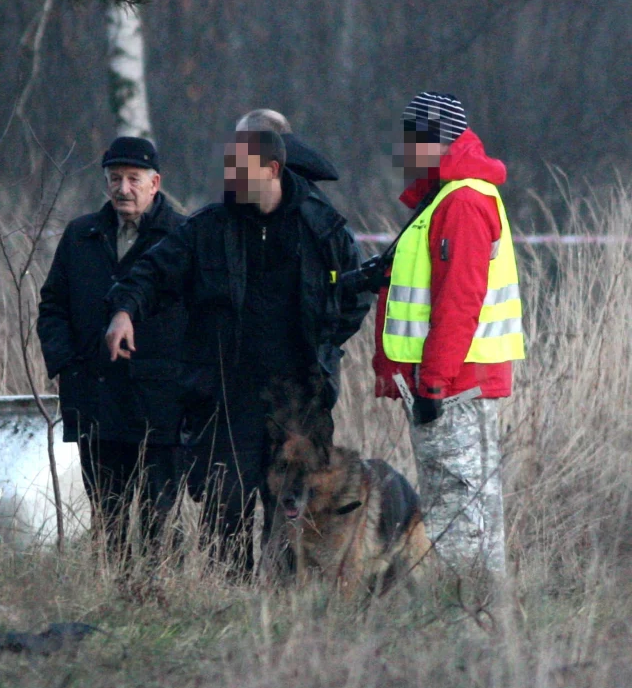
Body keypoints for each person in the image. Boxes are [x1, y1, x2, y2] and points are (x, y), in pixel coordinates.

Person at [105, 119, 370, 566]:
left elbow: (356, 292)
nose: (230, 178)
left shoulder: (322, 228)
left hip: (300, 397)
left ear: (270, 169)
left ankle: (285, 607)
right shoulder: (209, 228)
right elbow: (150, 273)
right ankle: (228, 603)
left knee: (294, 509)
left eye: (240, 169)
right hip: (225, 393)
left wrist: (325, 341)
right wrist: (124, 311)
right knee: (222, 506)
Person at [370, 91, 523, 574]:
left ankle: (466, 618)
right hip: (446, 384)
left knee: (461, 514)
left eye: (412, 139)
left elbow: (459, 302)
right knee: (458, 509)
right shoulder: (447, 196)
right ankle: (475, 623)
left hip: (455, 387)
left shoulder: (461, 201)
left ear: (437, 141)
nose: (404, 151)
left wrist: (433, 379)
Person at [37, 136, 187, 560]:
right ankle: (116, 595)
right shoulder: (81, 235)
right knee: (108, 514)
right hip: (95, 398)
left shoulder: (181, 236)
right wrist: (68, 362)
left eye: (134, 179)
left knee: (159, 515)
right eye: (115, 179)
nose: (123, 189)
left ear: (155, 183)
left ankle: (160, 594)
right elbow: (52, 305)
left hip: (159, 404)